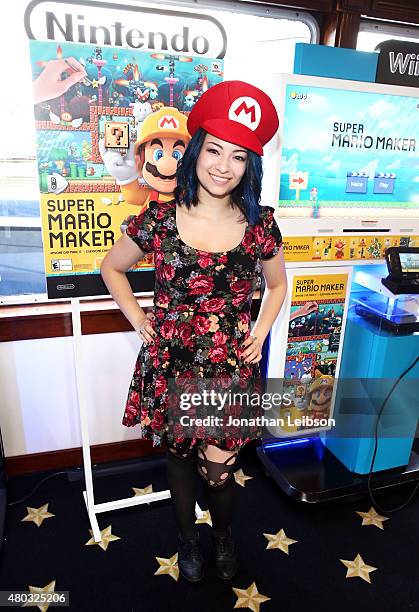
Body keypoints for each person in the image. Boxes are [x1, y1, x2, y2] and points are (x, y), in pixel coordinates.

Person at [100, 80, 288, 583]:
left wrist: (262, 329)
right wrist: (141, 320)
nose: (223, 165)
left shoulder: (259, 225)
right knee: (179, 462)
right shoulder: (159, 219)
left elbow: (276, 285)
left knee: (219, 470)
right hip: (170, 363)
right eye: (214, 150)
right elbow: (110, 268)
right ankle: (188, 542)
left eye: (239, 156)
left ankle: (222, 535)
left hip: (228, 370)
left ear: (251, 166)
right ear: (196, 152)